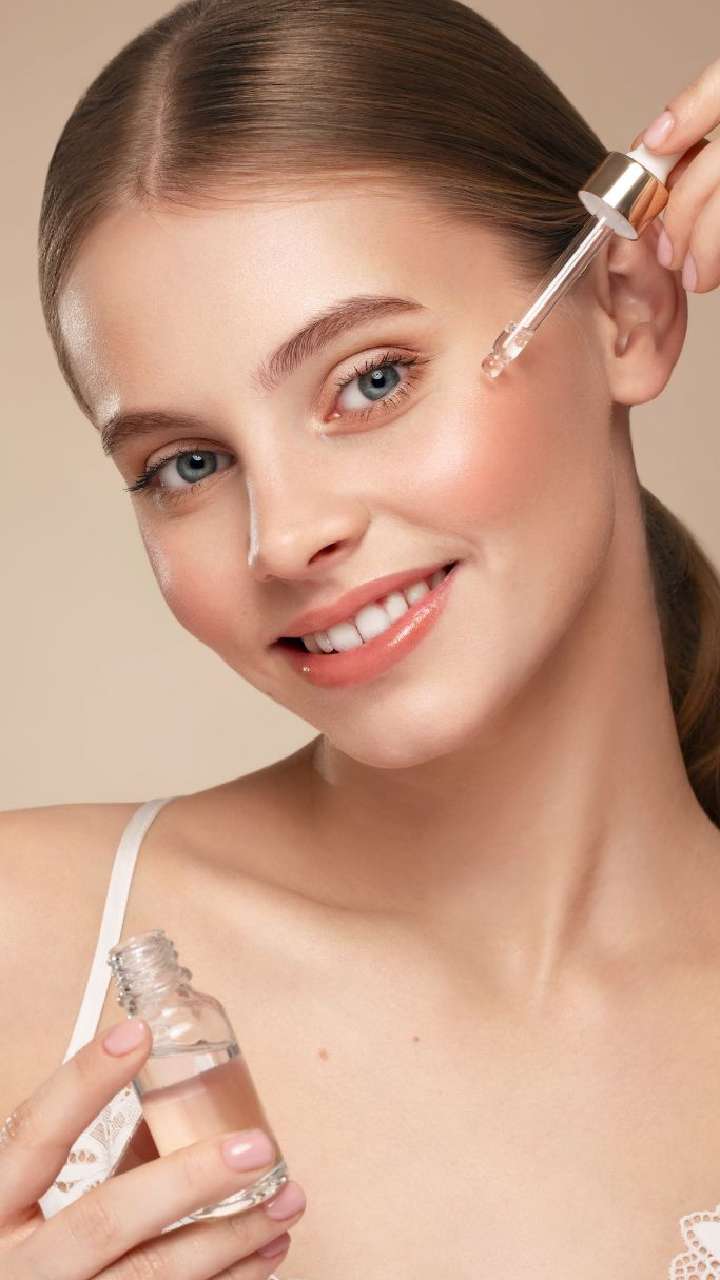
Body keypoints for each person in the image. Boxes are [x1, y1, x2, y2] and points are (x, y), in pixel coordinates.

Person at [2, 0, 720, 1274]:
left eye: (372, 379)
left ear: (624, 307)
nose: (284, 537)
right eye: (186, 462)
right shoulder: (27, 941)